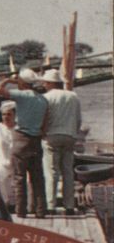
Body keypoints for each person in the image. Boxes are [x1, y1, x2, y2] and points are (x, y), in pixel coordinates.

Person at [0, 68, 49, 218]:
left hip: (21, 138)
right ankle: (40, 210)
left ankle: (21, 211)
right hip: (36, 140)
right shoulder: (43, 99)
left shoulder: (22, 96)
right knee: (38, 177)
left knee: (19, 177)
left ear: (22, 82)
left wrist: (8, 80)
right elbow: (44, 124)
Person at [39, 69, 82, 215]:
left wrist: (42, 133)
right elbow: (78, 118)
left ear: (51, 83)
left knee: (52, 172)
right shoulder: (73, 96)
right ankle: (69, 205)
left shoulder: (45, 97)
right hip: (69, 135)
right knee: (68, 171)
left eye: (45, 82)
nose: (44, 84)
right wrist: (74, 133)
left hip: (52, 135)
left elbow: (43, 118)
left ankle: (51, 206)